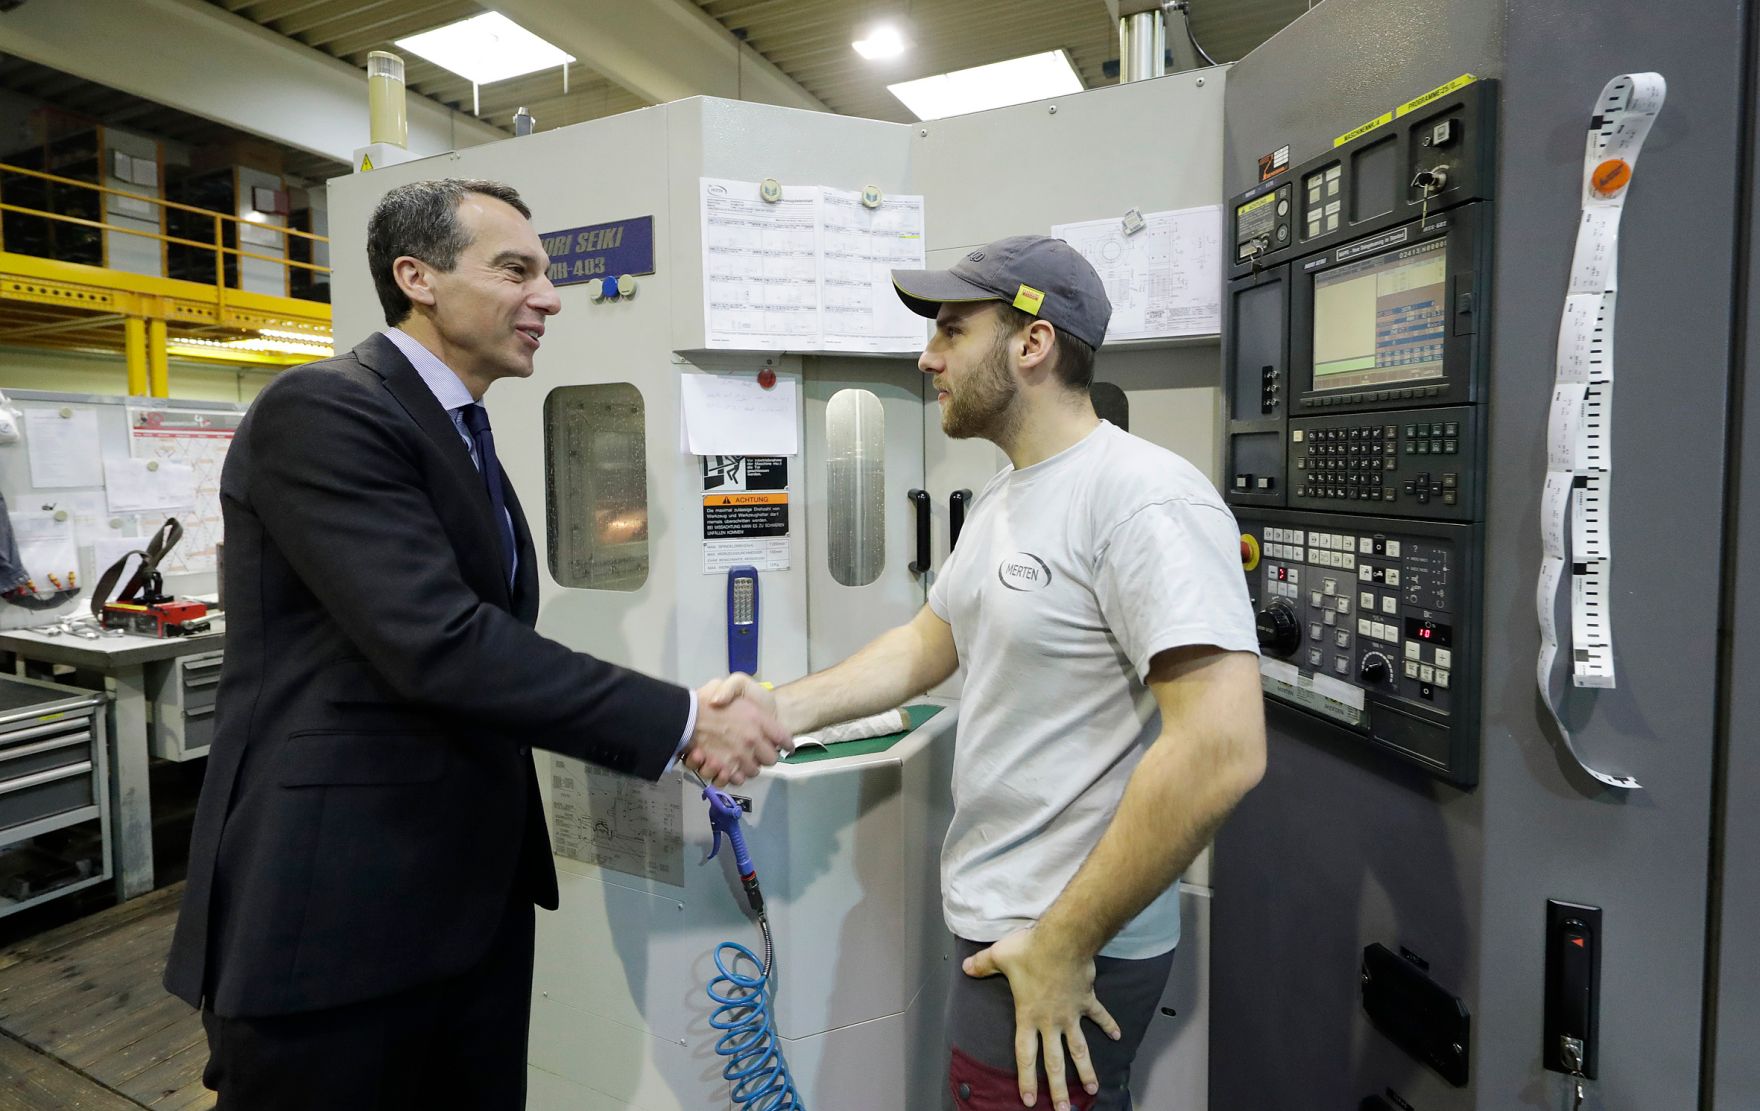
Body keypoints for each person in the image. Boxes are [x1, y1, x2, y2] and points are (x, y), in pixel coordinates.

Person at [164, 178, 790, 1109]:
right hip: (338, 915)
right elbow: (443, 644)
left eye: (544, 274)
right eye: (516, 270)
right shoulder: (325, 411)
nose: (549, 296)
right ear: (416, 277)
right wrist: (686, 718)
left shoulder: (462, 432)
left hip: (463, 907)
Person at [709, 235, 1266, 1110]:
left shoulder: (1144, 497)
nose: (929, 357)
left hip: (1061, 937)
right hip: (1014, 924)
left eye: (951, 331)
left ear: (1032, 344)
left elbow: (1222, 748)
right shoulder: (1008, 497)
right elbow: (929, 644)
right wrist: (774, 708)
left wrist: (1062, 942)